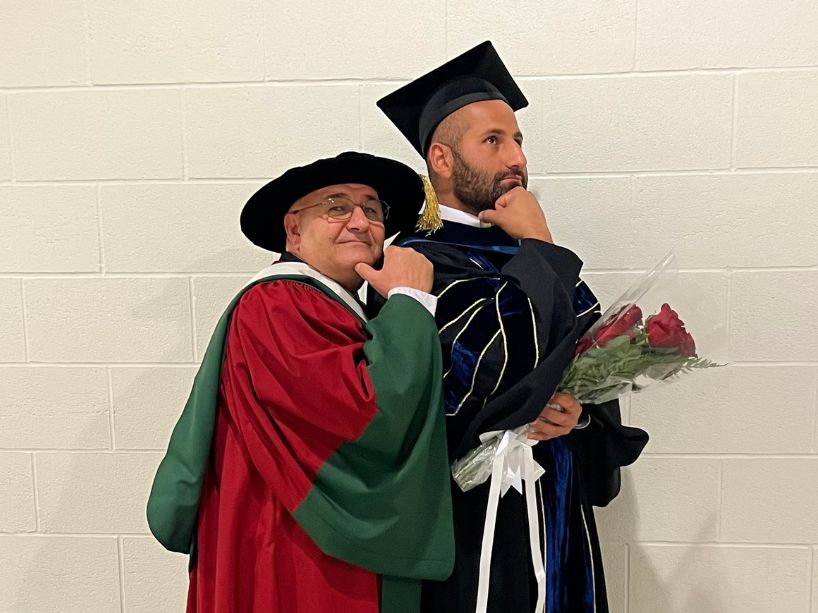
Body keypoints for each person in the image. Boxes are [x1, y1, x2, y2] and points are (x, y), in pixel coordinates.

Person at [375, 42, 649, 612]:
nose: (516, 159)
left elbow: (588, 368)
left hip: (558, 512)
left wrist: (581, 416)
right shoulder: (419, 264)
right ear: (443, 161)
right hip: (475, 526)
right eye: (493, 141)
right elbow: (487, 373)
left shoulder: (531, 252)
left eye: (519, 141)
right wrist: (541, 247)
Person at [146, 152, 454, 613]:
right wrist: (411, 300)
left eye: (372, 210)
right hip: (295, 550)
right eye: (336, 207)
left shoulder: (339, 307)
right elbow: (370, 414)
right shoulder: (280, 302)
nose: (360, 221)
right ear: (293, 231)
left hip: (303, 544)